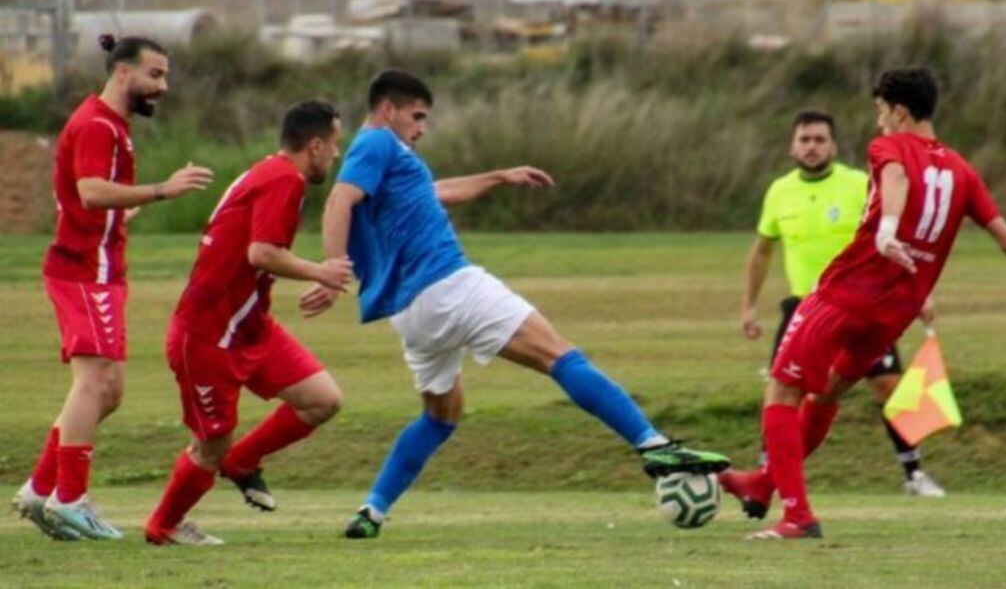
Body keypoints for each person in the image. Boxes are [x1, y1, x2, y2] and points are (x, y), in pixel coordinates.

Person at [301, 69, 730, 540]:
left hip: (412, 315)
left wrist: (499, 176)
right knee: (562, 356)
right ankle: (654, 445)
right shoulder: (377, 143)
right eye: (416, 116)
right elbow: (339, 201)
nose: (422, 127)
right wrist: (332, 267)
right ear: (387, 111)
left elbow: (434, 193)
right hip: (449, 285)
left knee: (440, 418)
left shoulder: (392, 159)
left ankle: (372, 511)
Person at [731, 67, 1006, 540]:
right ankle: (763, 483)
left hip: (845, 293)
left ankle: (797, 516)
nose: (879, 123)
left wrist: (888, 231)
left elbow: (896, 181)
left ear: (900, 111)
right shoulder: (961, 169)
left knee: (782, 394)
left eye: (881, 112)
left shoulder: (887, 148)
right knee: (826, 393)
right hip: (893, 314)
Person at [11, 34, 213, 541]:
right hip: (82, 270)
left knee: (110, 391)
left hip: (101, 269)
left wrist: (134, 204)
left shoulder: (111, 125)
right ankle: (70, 498)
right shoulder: (98, 124)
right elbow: (91, 192)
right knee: (94, 381)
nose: (162, 86)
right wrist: (164, 189)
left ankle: (41, 488)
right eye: (155, 75)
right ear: (123, 73)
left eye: (164, 75)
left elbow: (100, 198)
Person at [142, 101, 353, 546]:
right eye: (334, 146)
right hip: (208, 334)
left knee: (322, 399)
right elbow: (262, 253)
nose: (335, 156)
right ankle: (163, 527)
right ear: (314, 145)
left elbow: (254, 256)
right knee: (209, 446)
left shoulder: (269, 172)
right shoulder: (284, 181)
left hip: (249, 325)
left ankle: (242, 461)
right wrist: (321, 272)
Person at [730, 109, 944, 511]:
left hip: (861, 305)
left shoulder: (860, 184)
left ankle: (914, 472)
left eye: (819, 140)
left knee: (887, 386)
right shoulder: (779, 191)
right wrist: (748, 306)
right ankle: (767, 472)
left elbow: (898, 234)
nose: (812, 147)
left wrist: (920, 294)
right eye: (805, 140)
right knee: (782, 390)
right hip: (801, 308)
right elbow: (762, 250)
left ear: (833, 145)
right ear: (792, 146)